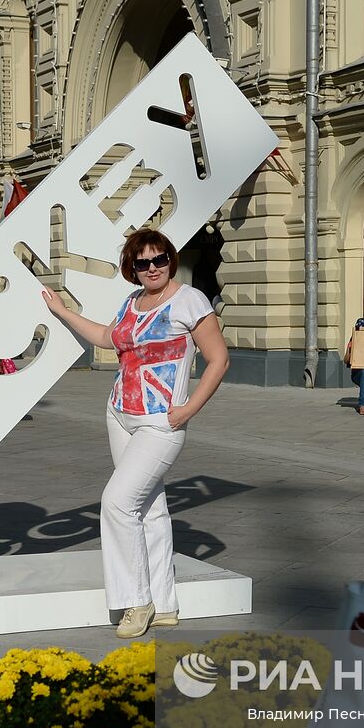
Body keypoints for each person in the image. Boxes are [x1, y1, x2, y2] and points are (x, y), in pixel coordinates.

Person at [41, 228, 230, 639]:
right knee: (150, 509)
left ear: (170, 259)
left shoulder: (189, 300)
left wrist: (188, 409)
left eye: (159, 258)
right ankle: (163, 603)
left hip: (161, 422)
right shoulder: (132, 302)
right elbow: (107, 339)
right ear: (133, 267)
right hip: (120, 415)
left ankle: (135, 600)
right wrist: (62, 312)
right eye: (143, 262)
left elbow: (218, 359)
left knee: (117, 503)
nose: (152, 268)